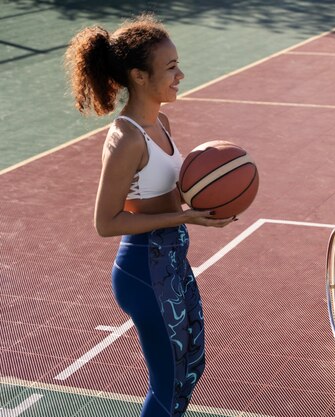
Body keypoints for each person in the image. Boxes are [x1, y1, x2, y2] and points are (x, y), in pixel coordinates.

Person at [65, 14, 235, 417]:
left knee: (191, 367)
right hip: (144, 269)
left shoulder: (161, 121)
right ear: (139, 76)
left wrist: (211, 199)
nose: (180, 74)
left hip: (173, 262)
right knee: (168, 386)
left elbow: (172, 195)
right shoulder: (125, 139)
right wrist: (185, 218)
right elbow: (106, 223)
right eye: (170, 67)